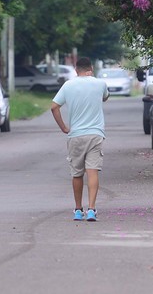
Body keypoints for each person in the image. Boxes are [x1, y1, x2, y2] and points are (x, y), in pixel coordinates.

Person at [50, 57, 109, 222]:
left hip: (75, 135)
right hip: (95, 134)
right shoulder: (100, 84)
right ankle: (91, 209)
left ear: (76, 70)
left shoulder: (68, 85)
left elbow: (54, 106)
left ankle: (78, 209)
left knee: (77, 174)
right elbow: (105, 97)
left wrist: (63, 127)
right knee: (92, 171)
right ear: (91, 68)